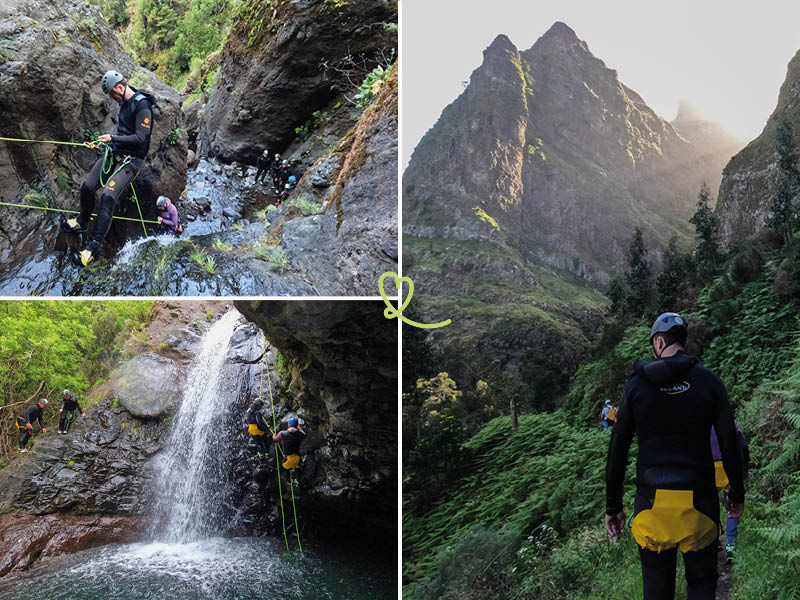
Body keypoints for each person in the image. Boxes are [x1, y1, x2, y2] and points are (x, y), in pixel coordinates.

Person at [605, 312, 745, 600]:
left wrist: (613, 507)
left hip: (651, 506)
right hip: (699, 507)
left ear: (658, 342)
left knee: (656, 591)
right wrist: (736, 493)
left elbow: (618, 446)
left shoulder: (637, 385)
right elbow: (728, 440)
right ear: (683, 341)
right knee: (703, 585)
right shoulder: (710, 382)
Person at [63, 69, 155, 267]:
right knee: (87, 186)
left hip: (132, 161)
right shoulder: (123, 104)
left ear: (120, 87)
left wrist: (112, 138)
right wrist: (106, 144)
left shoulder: (142, 106)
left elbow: (140, 138)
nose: (112, 99)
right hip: (115, 154)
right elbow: (123, 133)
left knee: (107, 196)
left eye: (113, 94)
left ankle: (91, 249)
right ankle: (81, 221)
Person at [710, 424, 749, 563]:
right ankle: (730, 547)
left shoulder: (698, 421)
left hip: (707, 468)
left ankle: (713, 542)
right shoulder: (729, 424)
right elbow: (743, 447)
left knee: (709, 506)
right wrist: (744, 470)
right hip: (729, 467)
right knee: (732, 508)